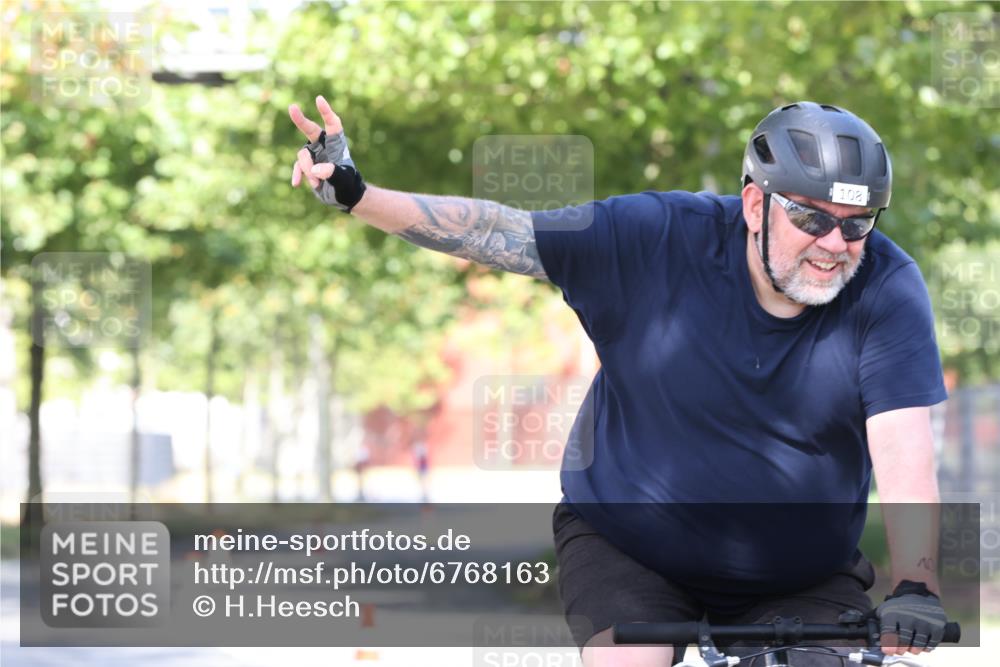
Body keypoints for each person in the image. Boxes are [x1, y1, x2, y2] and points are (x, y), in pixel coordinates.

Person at [288, 98, 949, 665]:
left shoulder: (886, 287)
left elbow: (903, 447)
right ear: (755, 203)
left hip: (798, 573)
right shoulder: (655, 239)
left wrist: (916, 584)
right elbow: (497, 231)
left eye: (857, 223)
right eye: (812, 218)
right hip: (631, 544)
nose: (835, 243)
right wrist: (359, 196)